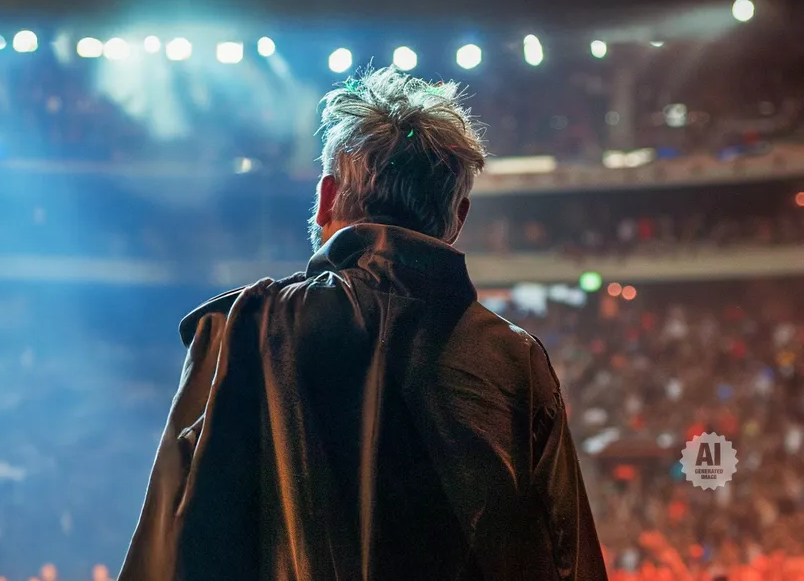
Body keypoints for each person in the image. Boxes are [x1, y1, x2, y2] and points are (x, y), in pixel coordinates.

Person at [119, 67, 607, 580]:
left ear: (327, 196)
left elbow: (166, 549)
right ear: (458, 217)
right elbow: (568, 558)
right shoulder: (516, 364)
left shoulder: (245, 329)